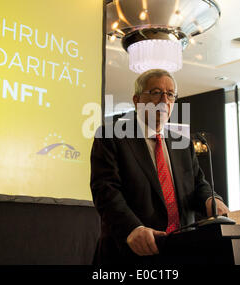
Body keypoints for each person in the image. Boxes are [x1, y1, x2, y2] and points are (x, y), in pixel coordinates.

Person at [90, 69, 230, 264]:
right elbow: (106, 192)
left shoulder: (183, 143)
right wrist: (133, 228)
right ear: (137, 100)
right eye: (156, 92)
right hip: (130, 252)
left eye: (170, 94)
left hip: (182, 250)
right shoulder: (111, 136)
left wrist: (210, 199)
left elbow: (199, 183)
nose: (164, 100)